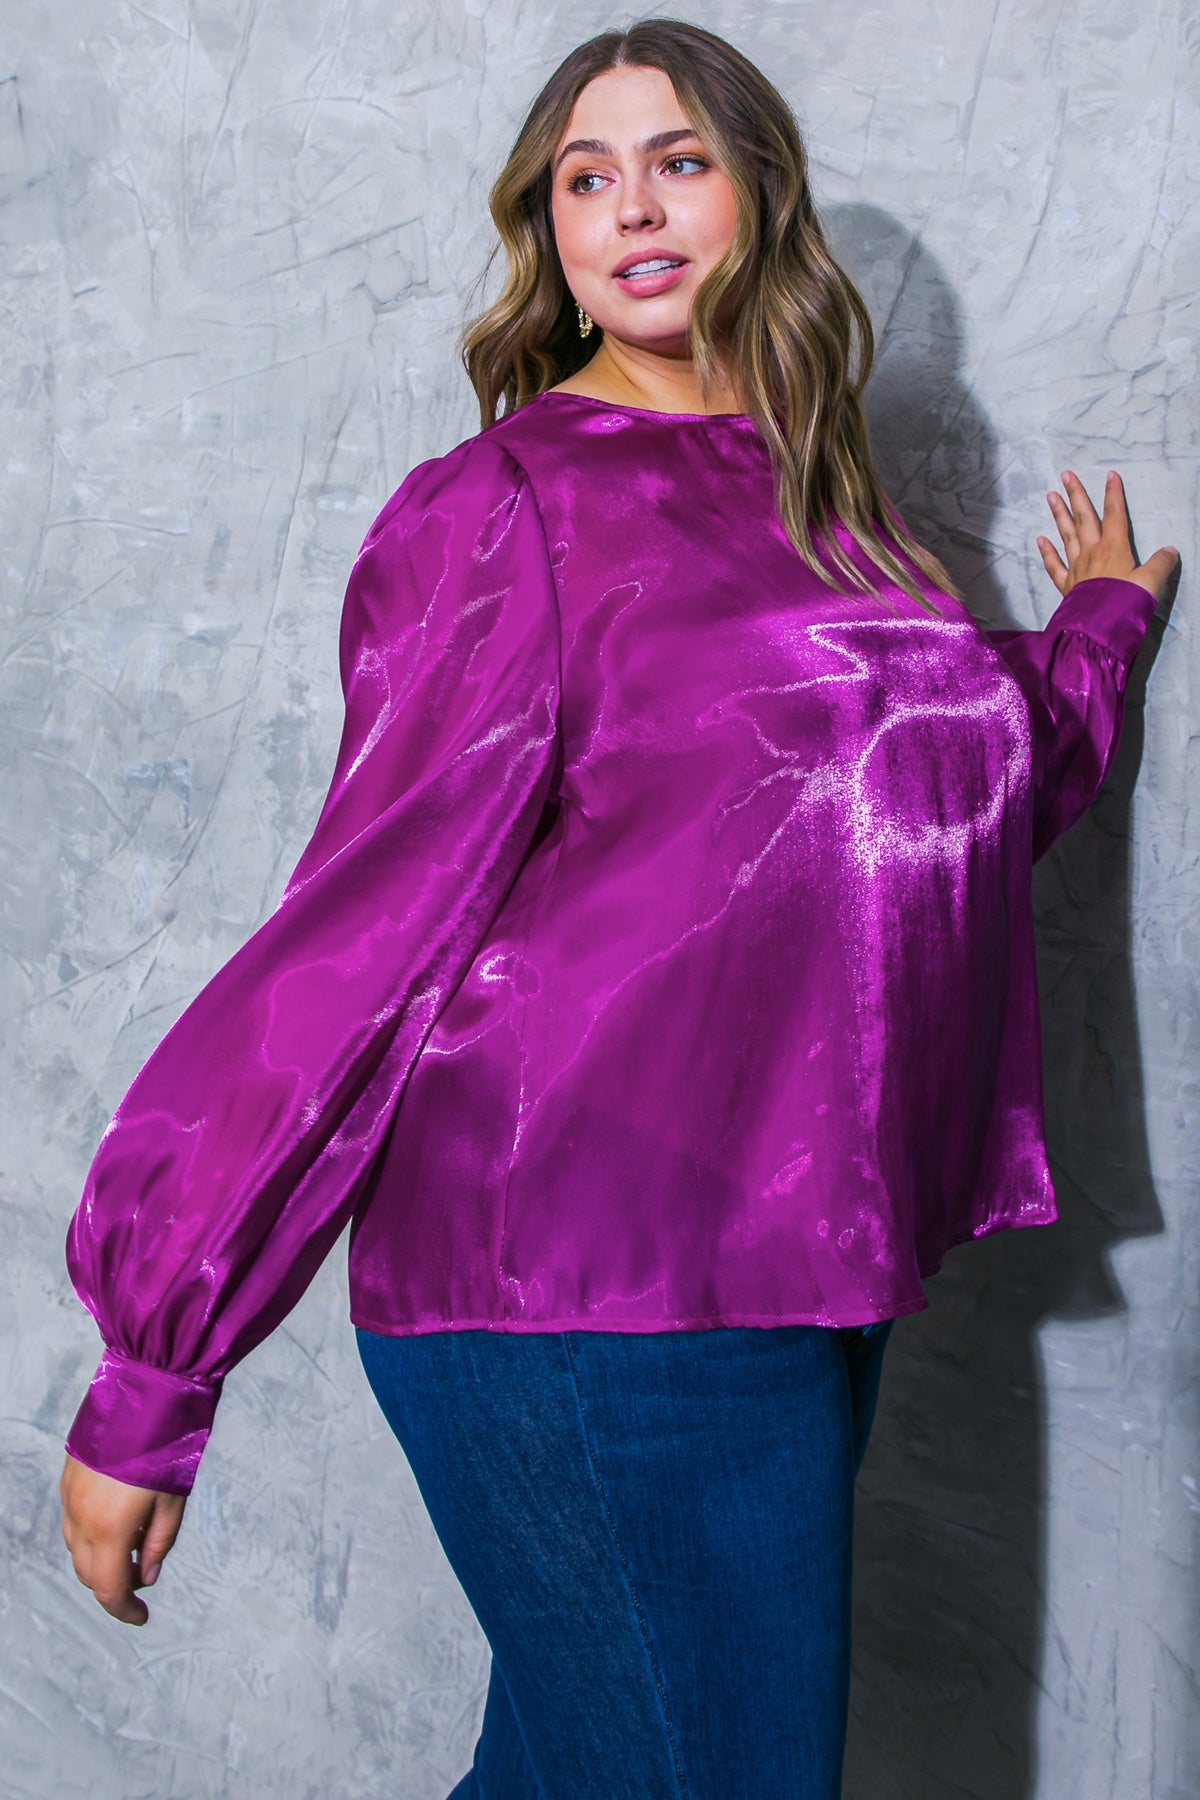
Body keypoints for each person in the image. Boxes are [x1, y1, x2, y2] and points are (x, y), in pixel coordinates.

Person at [57, 18, 1177, 1798]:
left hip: (808, 1270)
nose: (633, 210)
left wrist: (1097, 634)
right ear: (550, 230)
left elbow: (937, 807)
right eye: (588, 179)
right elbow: (357, 935)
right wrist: (157, 1366)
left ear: (761, 199)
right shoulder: (503, 508)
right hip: (576, 1291)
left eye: (678, 163)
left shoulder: (836, 501)